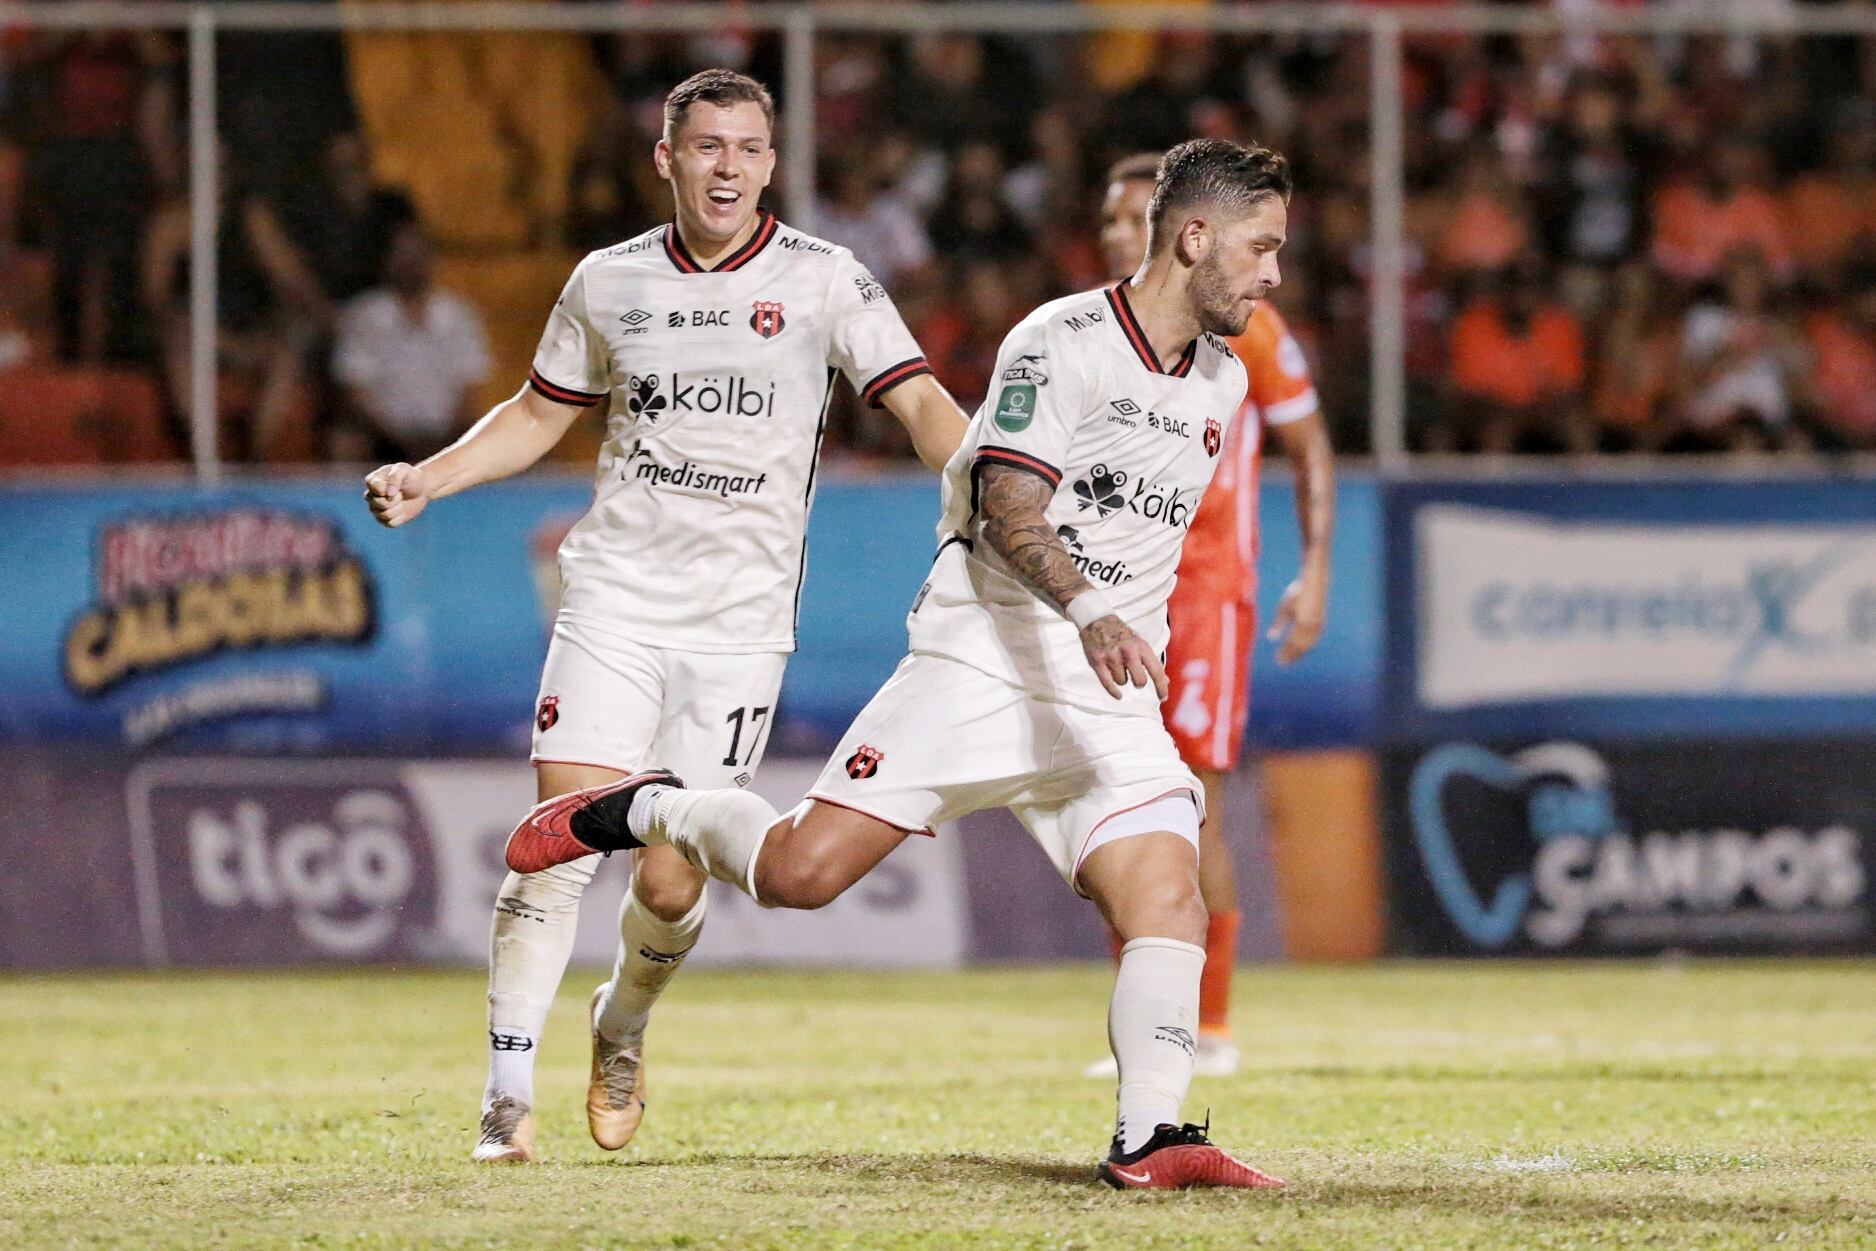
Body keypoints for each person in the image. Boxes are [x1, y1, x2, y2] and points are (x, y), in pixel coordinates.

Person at [506, 138, 1297, 1191]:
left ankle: (1149, 1138)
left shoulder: (1221, 386)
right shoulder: (1058, 342)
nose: (1274, 275)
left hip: (1100, 699)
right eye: (1261, 248)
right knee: (799, 875)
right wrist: (1095, 608)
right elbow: (1009, 505)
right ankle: (648, 806)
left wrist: (1117, 629)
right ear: (1194, 237)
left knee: (1165, 885)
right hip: (980, 660)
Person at [362, 69, 967, 1165]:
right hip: (613, 602)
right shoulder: (611, 282)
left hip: (736, 628)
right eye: (706, 147)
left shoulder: (827, 281)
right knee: (556, 847)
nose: (726, 166)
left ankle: (620, 1025)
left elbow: (919, 402)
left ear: (771, 164)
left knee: (672, 876)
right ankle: (505, 1102)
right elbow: (539, 412)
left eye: (746, 147)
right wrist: (431, 477)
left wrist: (989, 489)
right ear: (667, 159)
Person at [1081, 152, 1334, 1080]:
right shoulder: (1099, 329)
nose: (1115, 232)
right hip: (1121, 589)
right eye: (1108, 218)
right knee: (1122, 800)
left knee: (1195, 799)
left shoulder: (1248, 326)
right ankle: (1150, 1023)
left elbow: (1307, 444)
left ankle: (1209, 1024)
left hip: (1208, 589)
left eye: (1130, 215)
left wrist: (1313, 570)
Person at [332, 222, 492, 464]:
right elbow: (356, 391)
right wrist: (398, 440)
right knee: (345, 443)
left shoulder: (458, 315)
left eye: (417, 255)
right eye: (402, 255)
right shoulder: (366, 315)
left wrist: (443, 438)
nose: (411, 263)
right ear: (387, 260)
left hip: (448, 436)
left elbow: (469, 388)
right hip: (381, 440)